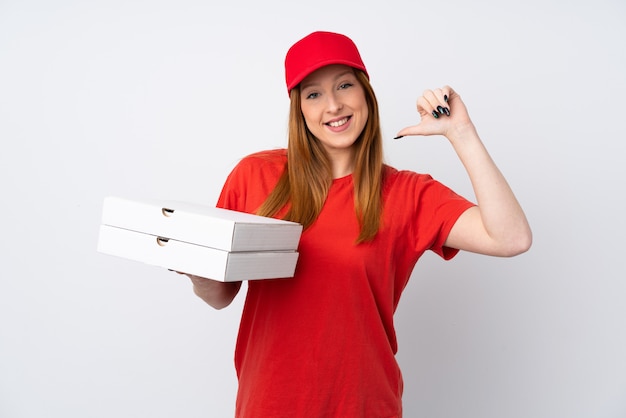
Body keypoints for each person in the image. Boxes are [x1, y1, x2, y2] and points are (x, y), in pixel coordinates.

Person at [183, 31, 532, 418]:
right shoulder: (255, 176)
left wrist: (461, 134)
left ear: (366, 93)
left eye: (344, 85)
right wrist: (195, 270)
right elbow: (219, 295)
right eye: (313, 94)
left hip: (365, 405)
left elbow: (511, 238)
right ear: (299, 109)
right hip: (268, 404)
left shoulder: (407, 193)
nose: (333, 105)